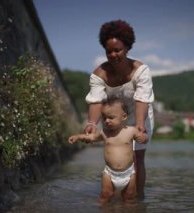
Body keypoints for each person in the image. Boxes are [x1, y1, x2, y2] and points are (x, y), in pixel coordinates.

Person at [84, 19, 154, 199]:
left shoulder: (141, 70)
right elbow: (96, 101)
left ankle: (138, 200)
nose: (113, 54)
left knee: (137, 159)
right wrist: (92, 122)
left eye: (118, 50)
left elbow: (142, 99)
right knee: (115, 156)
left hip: (141, 113)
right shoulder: (99, 74)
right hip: (113, 118)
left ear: (127, 48)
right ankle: (114, 197)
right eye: (109, 51)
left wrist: (139, 124)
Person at [69, 97, 148, 204]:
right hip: (110, 173)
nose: (107, 121)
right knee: (105, 195)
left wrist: (143, 138)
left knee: (129, 198)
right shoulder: (104, 133)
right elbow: (91, 137)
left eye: (111, 117)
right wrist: (78, 137)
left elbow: (143, 138)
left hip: (129, 173)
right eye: (104, 117)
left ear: (123, 116)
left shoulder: (131, 131)